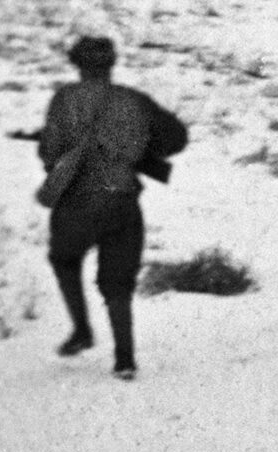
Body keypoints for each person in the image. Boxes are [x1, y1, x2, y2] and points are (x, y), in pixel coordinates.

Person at [37, 36, 185, 381]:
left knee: (63, 258)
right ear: (111, 64)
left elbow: (49, 152)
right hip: (122, 202)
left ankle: (82, 330)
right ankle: (124, 360)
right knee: (118, 284)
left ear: (77, 64)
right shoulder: (134, 100)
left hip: (77, 204)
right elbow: (176, 137)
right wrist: (142, 150)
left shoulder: (64, 100)